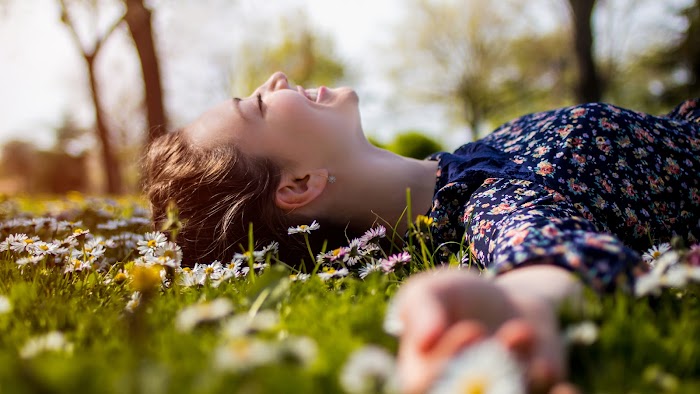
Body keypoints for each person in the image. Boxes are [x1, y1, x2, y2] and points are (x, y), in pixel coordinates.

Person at [142, 71, 700, 392]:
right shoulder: (484, 204)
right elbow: (542, 254)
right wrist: (516, 311)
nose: (278, 78)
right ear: (298, 186)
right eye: (260, 104)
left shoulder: (464, 165)